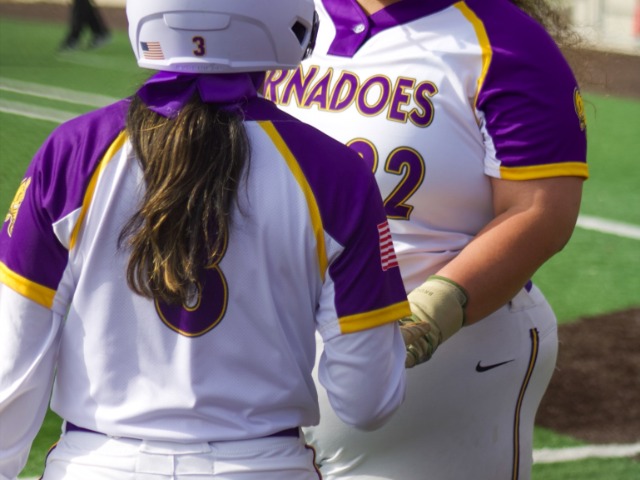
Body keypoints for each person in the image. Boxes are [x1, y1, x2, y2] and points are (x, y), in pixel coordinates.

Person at [0, 1, 416, 479]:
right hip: (263, 467)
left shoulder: (71, 153)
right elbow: (367, 401)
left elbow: (9, 369)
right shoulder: (335, 172)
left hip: (95, 464)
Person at [266, 0, 589, 478]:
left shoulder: (506, 43)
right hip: (261, 348)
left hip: (433, 360)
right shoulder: (275, 14)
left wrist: (433, 313)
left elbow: (541, 212)